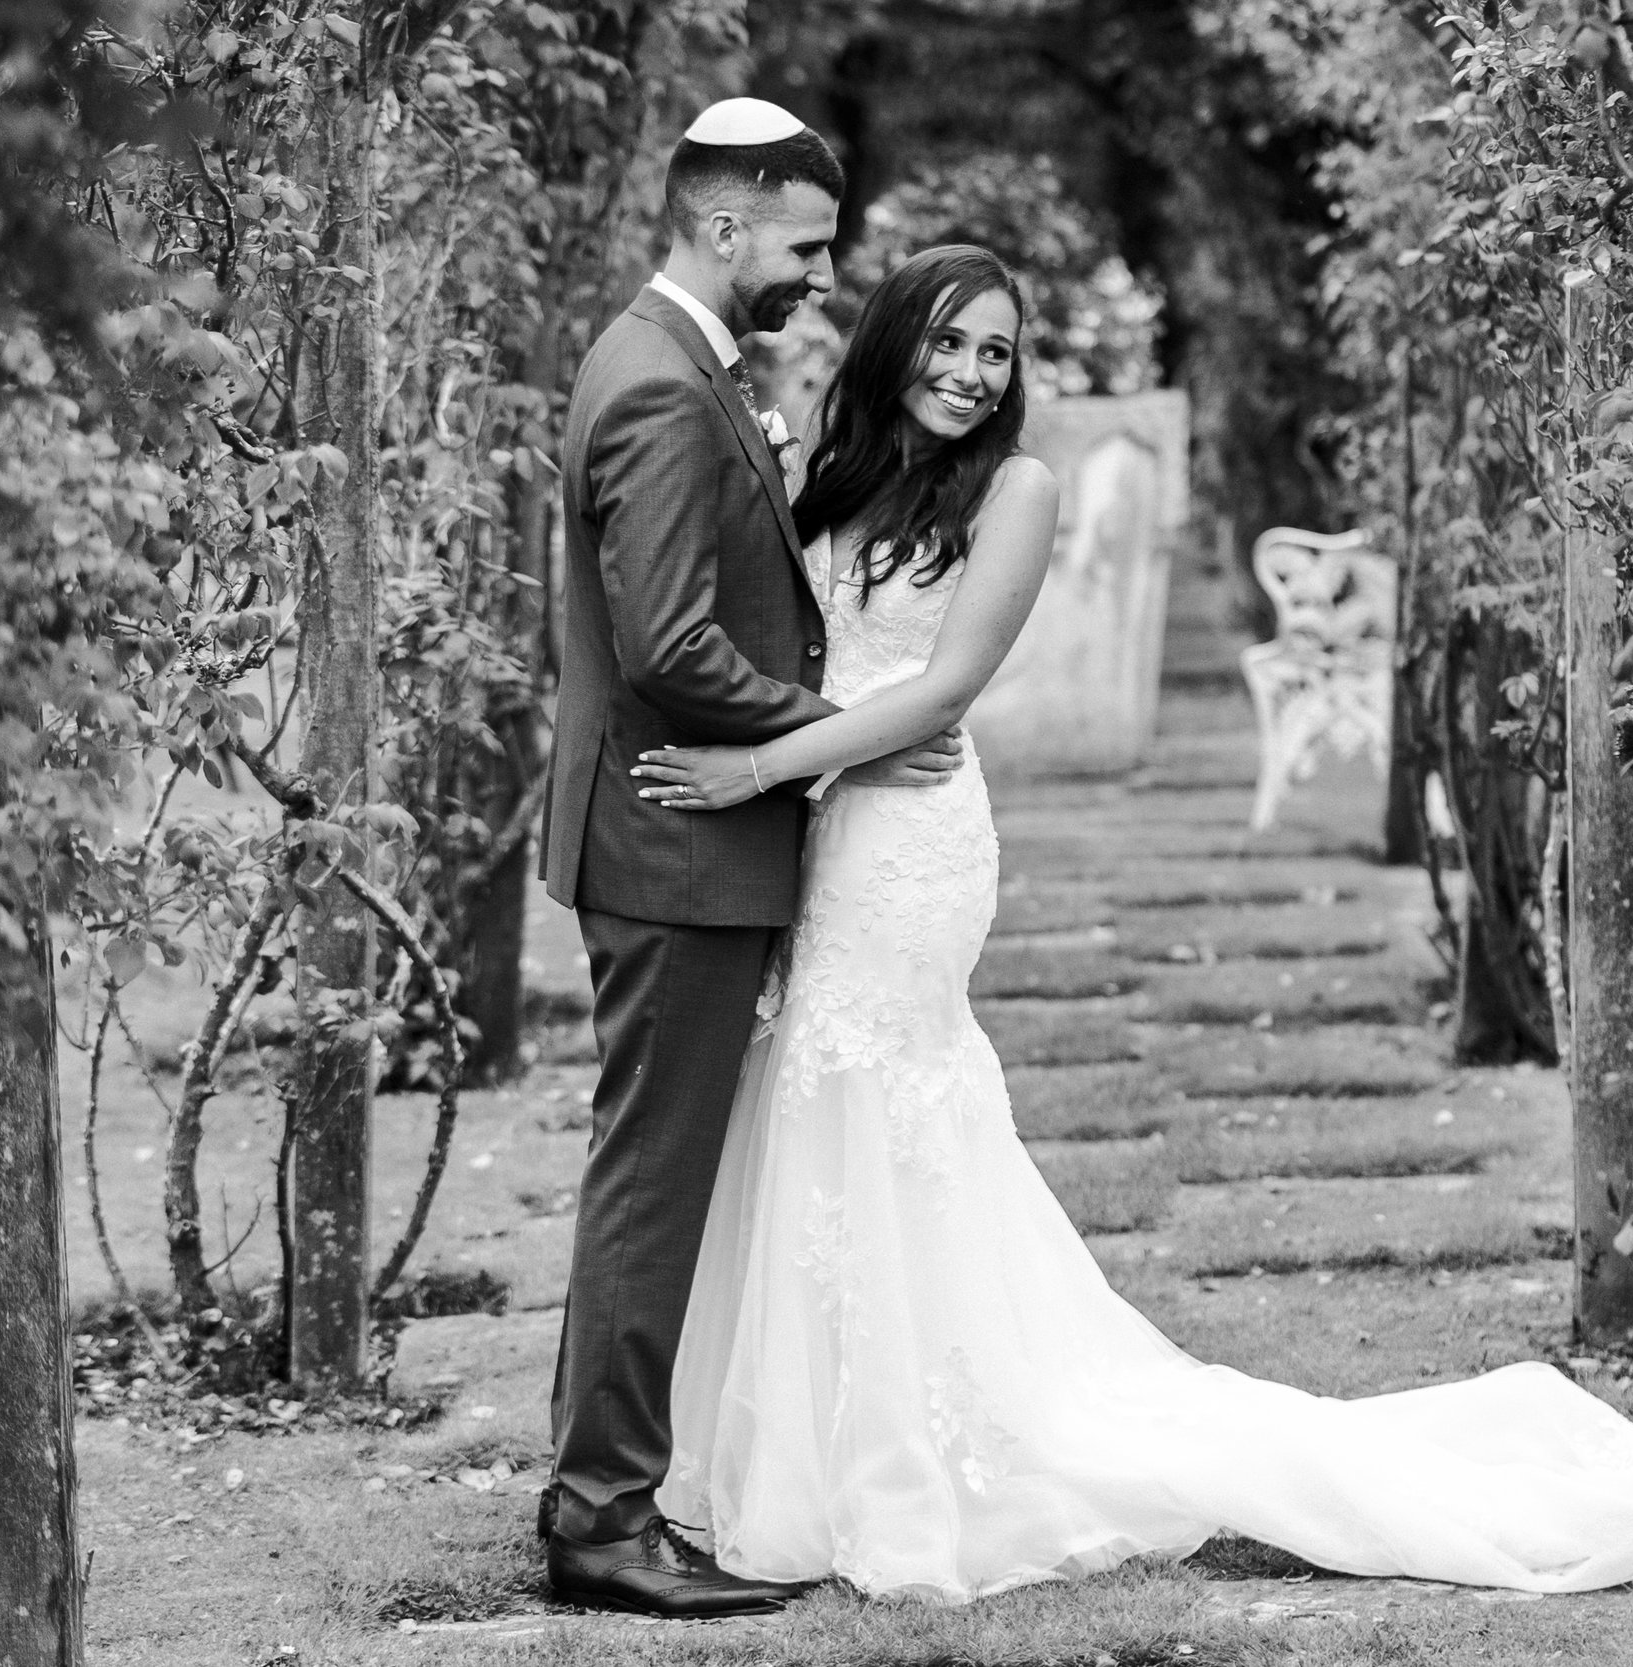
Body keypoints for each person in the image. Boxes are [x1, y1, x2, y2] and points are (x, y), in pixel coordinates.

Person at [629, 241, 1633, 1603]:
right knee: (819, 1108)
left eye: (996, 352)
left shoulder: (1021, 489)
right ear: (890, 344)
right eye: (946, 342)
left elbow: (943, 693)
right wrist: (792, 752)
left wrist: (758, 765)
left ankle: (894, 1456)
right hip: (825, 824)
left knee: (871, 1093)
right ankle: (814, 1428)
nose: (969, 372)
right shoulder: (832, 474)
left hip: (906, 847)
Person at [537, 97, 964, 1619]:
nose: (819, 273)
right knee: (652, 1184)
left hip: (675, 837)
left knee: (648, 1176)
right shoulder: (658, 385)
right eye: (803, 243)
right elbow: (667, 641)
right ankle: (598, 1520)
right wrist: (834, 727)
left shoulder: (673, 364)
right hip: (675, 838)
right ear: (724, 226)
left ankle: (602, 1490)